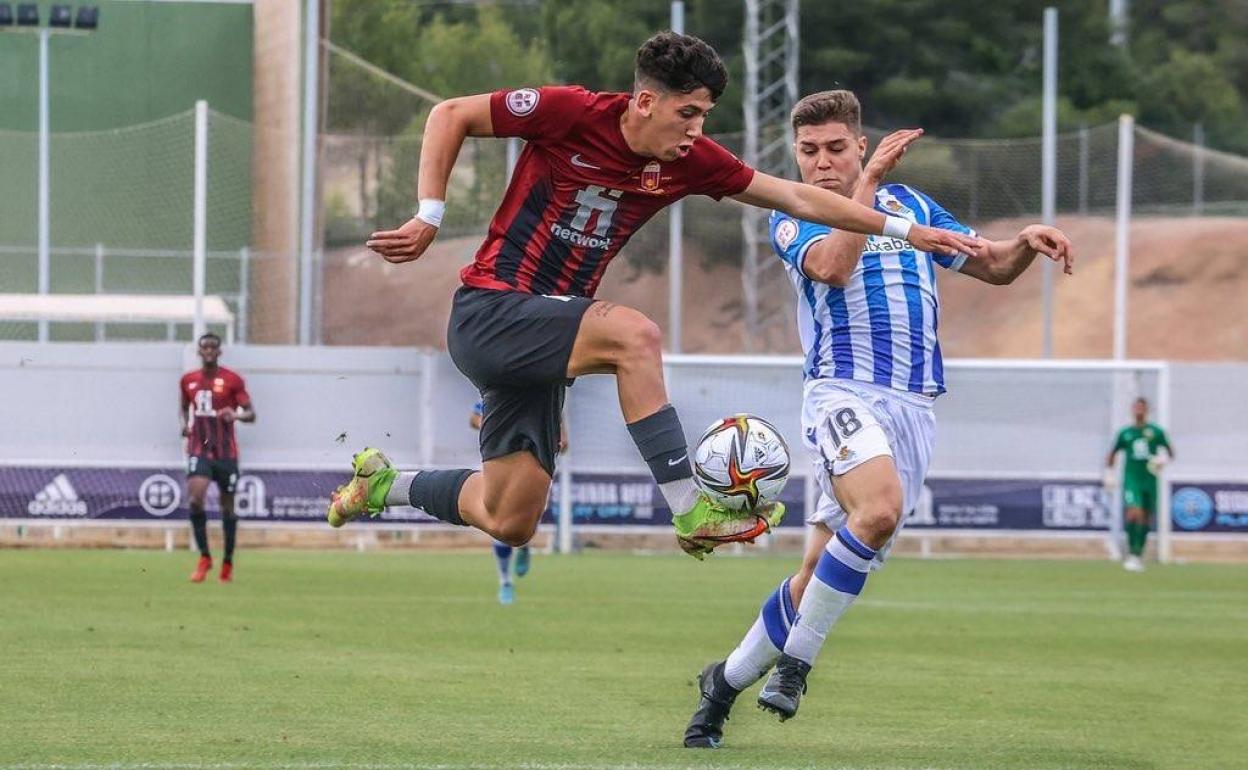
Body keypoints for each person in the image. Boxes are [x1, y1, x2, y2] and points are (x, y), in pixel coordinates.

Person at [325, 32, 980, 562]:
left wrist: (904, 227)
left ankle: (385, 484)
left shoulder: (689, 161)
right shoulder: (572, 112)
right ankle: (692, 507)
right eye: (687, 112)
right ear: (644, 102)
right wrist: (429, 214)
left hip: (545, 336)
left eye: (705, 115)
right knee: (635, 336)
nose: (697, 129)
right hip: (491, 308)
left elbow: (797, 196)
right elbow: (452, 114)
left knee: (511, 517)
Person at [682, 90, 1076, 747]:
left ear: (859, 144)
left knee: (813, 575)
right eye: (809, 151)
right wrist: (866, 185)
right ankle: (797, 666)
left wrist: (1026, 244)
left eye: (837, 149)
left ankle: (720, 686)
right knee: (880, 510)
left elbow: (993, 266)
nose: (823, 162)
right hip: (843, 393)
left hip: (914, 408)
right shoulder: (790, 214)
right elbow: (834, 268)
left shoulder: (913, 207)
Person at [469, 399, 565, 605]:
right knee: (499, 522)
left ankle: (522, 544)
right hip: (500, 459)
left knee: (522, 519)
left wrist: (560, 437)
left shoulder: (544, 391)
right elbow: (475, 417)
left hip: (535, 462)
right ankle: (505, 582)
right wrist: (491, 425)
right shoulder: (500, 386)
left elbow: (560, 431)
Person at [179, 332, 255, 583]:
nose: (209, 351)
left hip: (226, 453)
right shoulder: (188, 380)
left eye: (213, 347)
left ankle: (228, 561)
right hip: (199, 449)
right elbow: (182, 408)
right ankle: (204, 557)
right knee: (195, 501)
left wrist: (236, 416)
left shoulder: (233, 380)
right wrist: (184, 425)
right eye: (205, 347)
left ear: (219, 351)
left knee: (227, 508)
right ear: (199, 352)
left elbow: (251, 413)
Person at [1104, 397, 1173, 572]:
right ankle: (1132, 554)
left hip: (1149, 479)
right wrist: (1109, 474)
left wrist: (1161, 460)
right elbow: (1112, 454)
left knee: (1146, 517)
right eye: (1136, 408)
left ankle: (1138, 554)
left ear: (1146, 410)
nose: (1139, 411)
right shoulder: (1125, 433)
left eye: (1142, 408)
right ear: (1132, 410)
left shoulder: (1156, 432)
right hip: (1132, 478)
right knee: (1134, 512)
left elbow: (1170, 452)